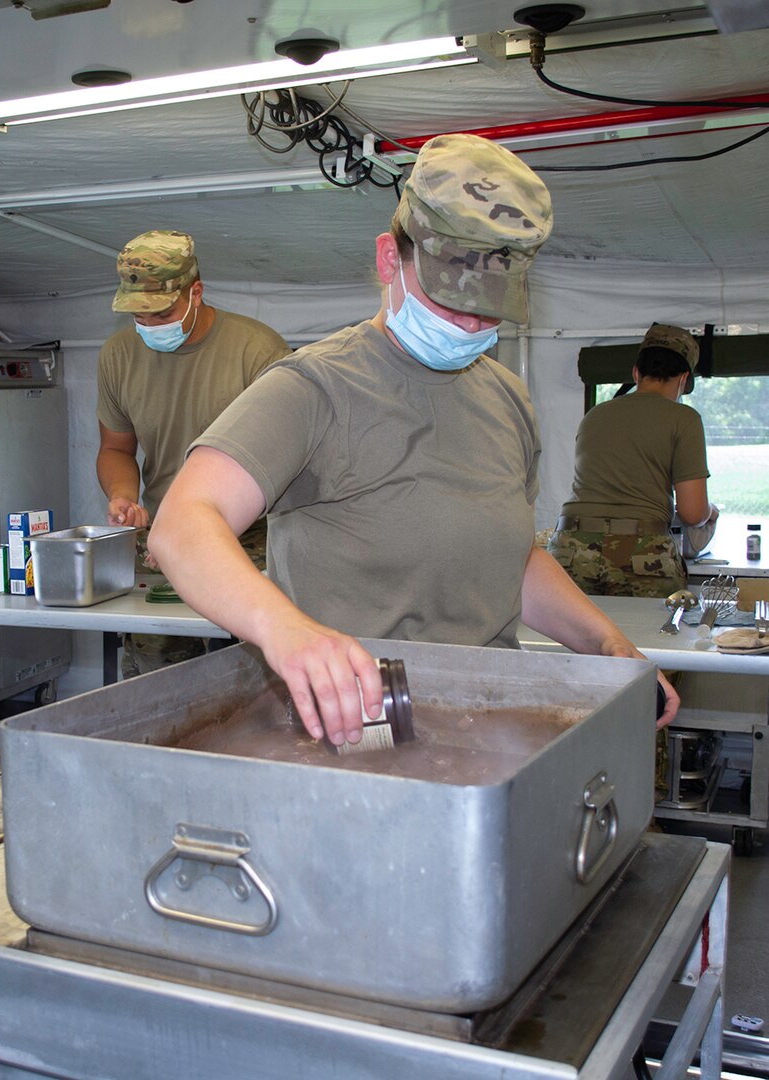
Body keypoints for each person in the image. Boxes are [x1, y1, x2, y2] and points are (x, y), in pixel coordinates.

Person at [149, 135, 679, 745]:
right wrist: (285, 630)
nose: (471, 324)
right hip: (358, 729)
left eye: (490, 307)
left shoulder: (507, 398)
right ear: (387, 261)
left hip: (485, 725)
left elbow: (509, 558)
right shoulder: (315, 387)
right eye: (452, 299)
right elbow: (183, 524)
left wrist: (604, 642)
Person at [96, 229, 289, 676]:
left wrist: (196, 535)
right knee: (155, 678)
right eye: (137, 315)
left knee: (252, 678)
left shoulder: (257, 351)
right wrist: (124, 497)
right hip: (163, 542)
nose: (148, 326)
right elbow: (115, 447)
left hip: (251, 542)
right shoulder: (118, 355)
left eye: (161, 312)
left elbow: (282, 466)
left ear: (195, 293)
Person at [547, 323, 719, 599]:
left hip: (570, 547)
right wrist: (711, 511)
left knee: (575, 641)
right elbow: (692, 513)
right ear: (684, 378)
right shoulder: (684, 419)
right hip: (641, 552)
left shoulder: (596, 414)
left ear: (636, 372)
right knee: (649, 638)